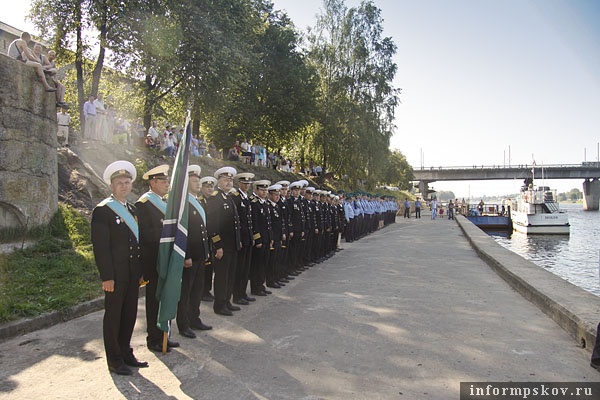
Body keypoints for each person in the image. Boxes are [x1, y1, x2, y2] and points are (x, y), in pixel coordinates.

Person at [91, 160, 148, 375]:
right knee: (114, 318)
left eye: (127, 182)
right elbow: (101, 248)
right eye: (119, 183)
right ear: (111, 186)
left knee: (129, 315)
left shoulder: (131, 209)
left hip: (132, 274)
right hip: (115, 275)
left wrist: (140, 270)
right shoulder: (103, 211)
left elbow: (137, 243)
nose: (124, 186)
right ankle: (114, 360)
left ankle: (126, 352)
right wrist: (107, 276)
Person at [135, 164, 180, 353]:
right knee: (154, 300)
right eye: (163, 181)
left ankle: (164, 335)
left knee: (166, 298)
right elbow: (144, 237)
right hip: (154, 261)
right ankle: (153, 338)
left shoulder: (164, 202)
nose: (167, 184)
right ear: (152, 183)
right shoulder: (144, 204)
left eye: (167, 181)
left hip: (167, 260)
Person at [176, 165, 212, 338]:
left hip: (200, 253)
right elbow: (182, 230)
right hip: (189, 255)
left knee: (197, 289)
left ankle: (194, 318)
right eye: (195, 181)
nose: (198, 183)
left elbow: (203, 229)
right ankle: (183, 324)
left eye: (199, 180)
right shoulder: (183, 202)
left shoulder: (198, 201)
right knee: (186, 291)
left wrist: (207, 251)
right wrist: (186, 254)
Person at [204, 167, 242, 316]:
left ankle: (227, 301)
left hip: (232, 245)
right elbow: (212, 224)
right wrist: (217, 245)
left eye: (231, 179)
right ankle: (219, 305)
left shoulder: (229, 198)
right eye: (225, 179)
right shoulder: (215, 198)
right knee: (221, 276)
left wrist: (237, 241)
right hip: (223, 246)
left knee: (230, 275)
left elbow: (234, 224)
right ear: (218, 181)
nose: (229, 182)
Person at [230, 172, 256, 305]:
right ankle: (237, 295)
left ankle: (243, 293)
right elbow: (237, 221)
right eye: (244, 183)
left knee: (246, 268)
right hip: (241, 238)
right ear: (239, 183)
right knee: (239, 268)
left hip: (248, 238)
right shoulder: (235, 197)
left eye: (248, 184)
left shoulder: (246, 198)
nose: (246, 186)